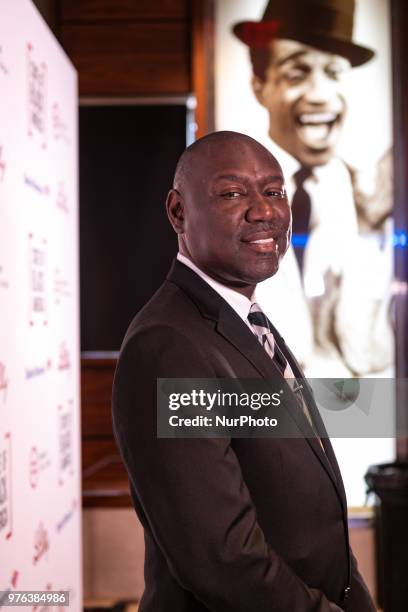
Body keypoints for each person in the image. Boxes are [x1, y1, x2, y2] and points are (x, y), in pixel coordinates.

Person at [112, 131, 376, 611]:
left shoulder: (245, 319)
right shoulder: (168, 345)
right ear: (178, 212)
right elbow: (223, 559)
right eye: (233, 193)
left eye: (274, 191)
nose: (265, 211)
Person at [232, 0, 393, 376]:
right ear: (260, 87)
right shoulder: (228, 200)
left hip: (354, 420)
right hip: (260, 421)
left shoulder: (372, 203)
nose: (321, 94)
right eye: (296, 73)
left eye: (334, 73)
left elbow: (372, 356)